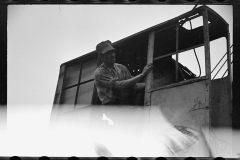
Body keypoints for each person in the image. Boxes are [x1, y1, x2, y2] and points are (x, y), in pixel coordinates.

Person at [94, 40, 153, 106]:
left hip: (125, 103)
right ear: (101, 57)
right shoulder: (100, 72)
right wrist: (142, 74)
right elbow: (119, 85)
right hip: (111, 107)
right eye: (108, 53)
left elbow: (135, 86)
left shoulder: (121, 67)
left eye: (113, 51)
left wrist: (151, 84)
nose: (112, 55)